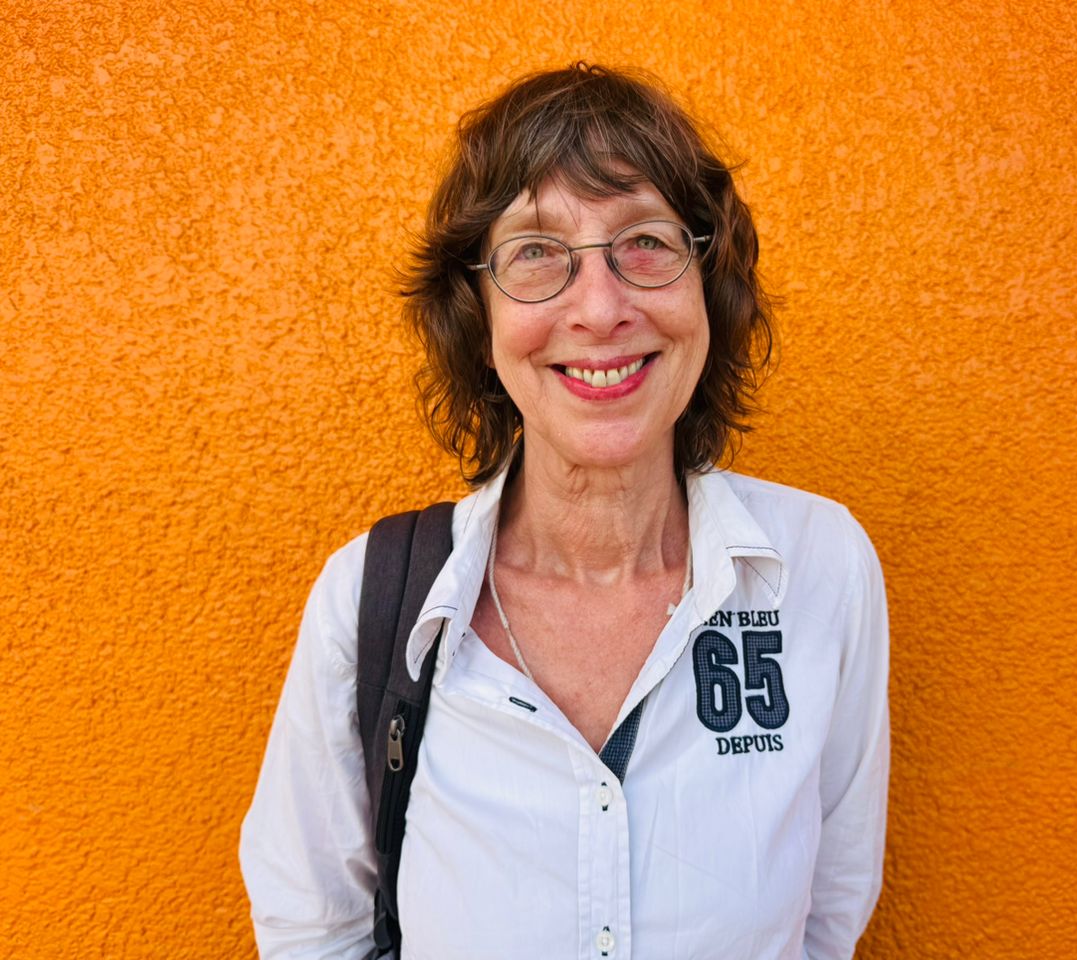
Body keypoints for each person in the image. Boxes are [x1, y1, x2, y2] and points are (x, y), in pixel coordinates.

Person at [240, 63, 889, 960]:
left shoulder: (819, 568)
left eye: (646, 241)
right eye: (537, 252)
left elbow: (828, 914)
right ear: (478, 316)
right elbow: (314, 931)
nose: (600, 308)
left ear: (708, 285)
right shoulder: (373, 599)